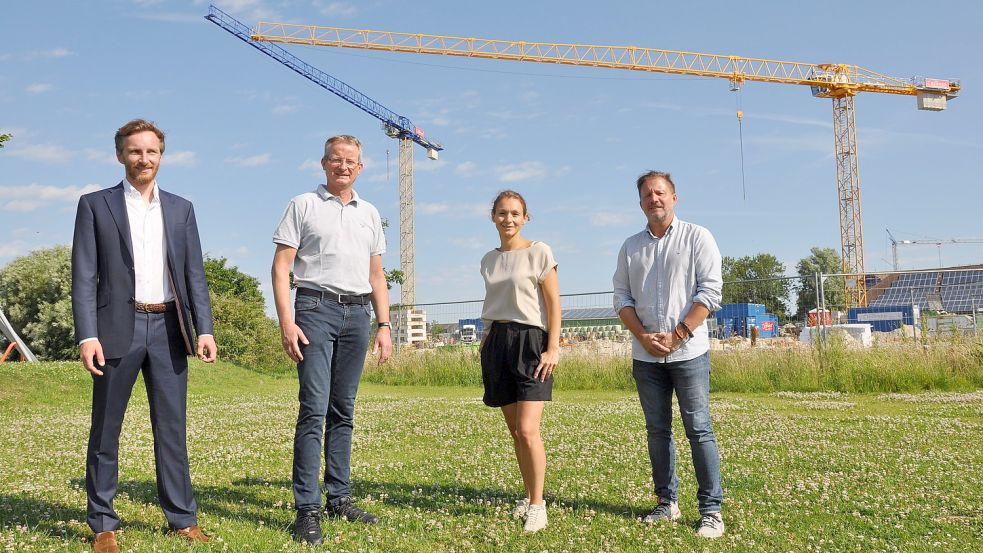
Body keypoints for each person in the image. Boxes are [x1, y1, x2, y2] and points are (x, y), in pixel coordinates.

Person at [72, 119, 217, 553]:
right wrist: (87, 335)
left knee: (172, 428)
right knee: (106, 431)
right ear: (121, 155)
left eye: (151, 151)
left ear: (161, 156)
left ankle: (182, 519)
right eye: (135, 151)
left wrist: (204, 328)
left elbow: (195, 274)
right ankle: (103, 524)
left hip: (170, 329)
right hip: (118, 328)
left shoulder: (181, 208)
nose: (144, 159)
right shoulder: (96, 205)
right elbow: (83, 275)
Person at [272, 134, 393, 545]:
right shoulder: (302, 205)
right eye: (336, 159)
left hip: (358, 315)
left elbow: (377, 275)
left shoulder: (370, 213)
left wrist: (384, 325)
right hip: (314, 309)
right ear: (324, 163)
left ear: (360, 168)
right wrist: (287, 323)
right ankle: (307, 509)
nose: (343, 166)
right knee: (314, 409)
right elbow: (281, 267)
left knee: (344, 409)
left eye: (351, 161)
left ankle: (339, 498)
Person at [612, 171, 725, 539]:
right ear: (640, 202)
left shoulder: (698, 237)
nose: (654, 199)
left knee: (699, 429)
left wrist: (679, 334)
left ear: (674, 197)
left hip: (689, 352)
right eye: (647, 194)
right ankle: (667, 503)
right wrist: (643, 337)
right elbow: (621, 299)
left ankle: (711, 510)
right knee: (657, 431)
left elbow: (709, 292)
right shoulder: (631, 247)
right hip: (646, 358)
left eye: (660, 192)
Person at [479, 190, 560, 533]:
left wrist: (552, 348)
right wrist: (485, 344)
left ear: (526, 217)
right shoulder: (487, 260)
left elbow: (554, 305)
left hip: (531, 342)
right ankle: (528, 496)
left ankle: (538, 506)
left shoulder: (539, 252)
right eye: (502, 213)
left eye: (515, 213)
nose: (508, 219)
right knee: (515, 431)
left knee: (528, 430)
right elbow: (493, 303)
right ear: (493, 216)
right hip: (496, 342)